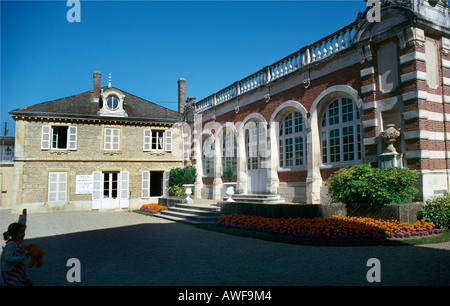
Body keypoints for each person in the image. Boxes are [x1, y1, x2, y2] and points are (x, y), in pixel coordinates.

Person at [0, 209, 33, 286]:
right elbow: (8, 258)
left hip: (19, 269)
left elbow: (21, 224)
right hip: (10, 271)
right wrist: (22, 258)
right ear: (13, 234)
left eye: (23, 232)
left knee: (29, 283)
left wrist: (24, 215)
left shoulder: (18, 240)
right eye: (21, 232)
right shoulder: (11, 245)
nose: (23, 234)